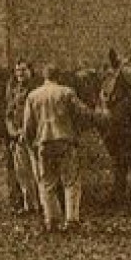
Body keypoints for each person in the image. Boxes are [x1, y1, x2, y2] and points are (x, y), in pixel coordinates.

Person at [21, 63, 107, 233]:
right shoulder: (67, 92)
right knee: (71, 181)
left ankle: (51, 220)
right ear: (58, 77)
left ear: (45, 77)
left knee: (47, 183)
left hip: (44, 143)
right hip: (65, 141)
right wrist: (100, 116)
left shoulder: (33, 96)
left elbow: (27, 126)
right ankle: (71, 220)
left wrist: (32, 144)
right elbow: (83, 113)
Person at [98, 50, 131, 210]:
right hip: (120, 124)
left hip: (125, 127)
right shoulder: (115, 78)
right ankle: (122, 193)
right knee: (121, 160)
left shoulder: (125, 86)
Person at [5, 60, 42, 215]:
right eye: (17, 70)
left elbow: (40, 116)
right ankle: (29, 205)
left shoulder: (37, 90)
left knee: (38, 172)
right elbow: (8, 115)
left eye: (23, 70)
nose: (20, 73)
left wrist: (26, 133)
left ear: (30, 71)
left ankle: (43, 204)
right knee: (22, 173)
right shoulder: (14, 91)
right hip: (18, 137)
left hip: (34, 137)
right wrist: (13, 132)